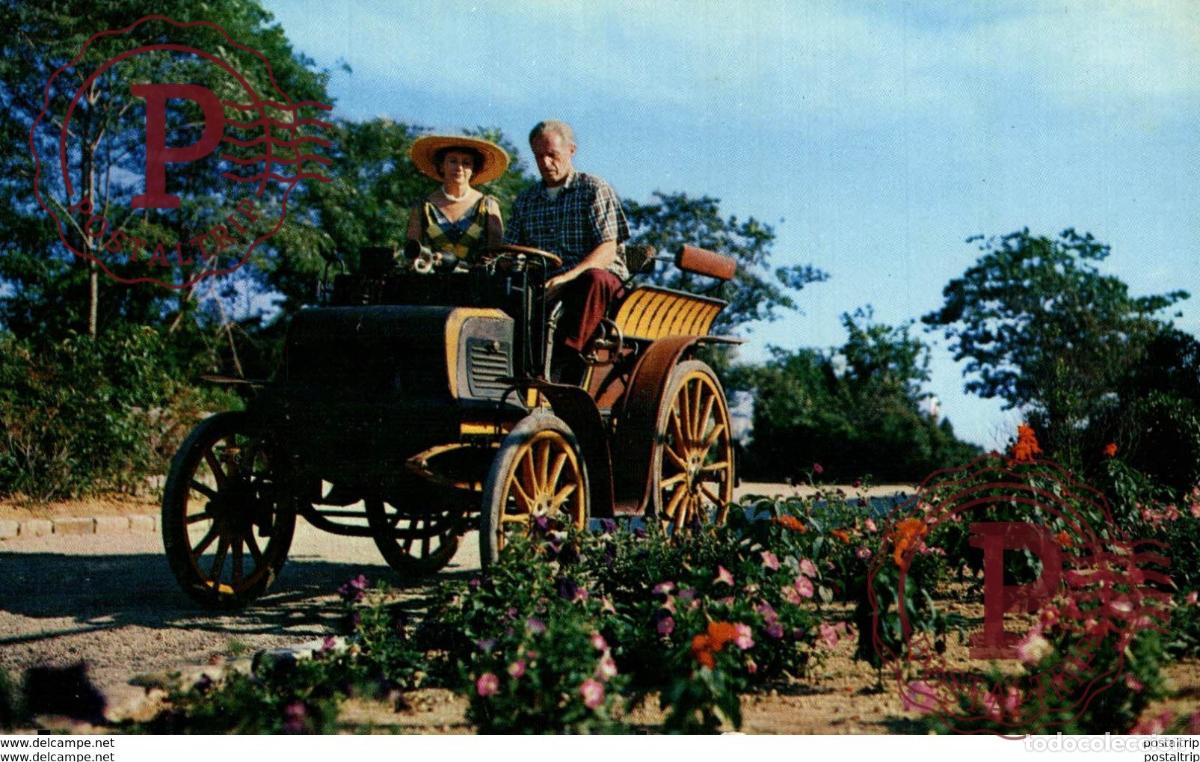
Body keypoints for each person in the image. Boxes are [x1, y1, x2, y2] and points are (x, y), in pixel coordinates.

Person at [505, 120, 630, 382]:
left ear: (571, 150)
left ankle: (565, 363)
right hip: (544, 284)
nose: (546, 163)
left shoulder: (593, 188)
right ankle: (506, 364)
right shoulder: (525, 201)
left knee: (593, 279)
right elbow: (510, 251)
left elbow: (607, 248)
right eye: (539, 156)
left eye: (552, 155)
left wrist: (567, 278)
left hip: (595, 285)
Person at [406, 134, 508, 264]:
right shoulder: (423, 207)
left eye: (466, 163)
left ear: (473, 169)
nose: (459, 168)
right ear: (442, 166)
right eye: (453, 161)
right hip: (432, 281)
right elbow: (411, 254)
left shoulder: (487, 205)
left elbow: (497, 253)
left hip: (477, 281)